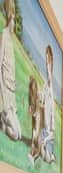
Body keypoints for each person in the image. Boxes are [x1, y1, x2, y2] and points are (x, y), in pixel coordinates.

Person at [0, 0, 21, 141]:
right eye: (14, 19)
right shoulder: (4, 35)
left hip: (11, 93)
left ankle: (3, 120)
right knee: (14, 134)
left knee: (19, 134)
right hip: (5, 92)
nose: (15, 24)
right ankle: (2, 120)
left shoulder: (11, 41)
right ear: (9, 17)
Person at [40, 45, 55, 163]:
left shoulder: (51, 91)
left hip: (48, 137)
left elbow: (52, 134)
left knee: (46, 158)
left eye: (48, 60)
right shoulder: (46, 87)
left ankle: (51, 156)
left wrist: (45, 140)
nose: (46, 63)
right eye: (46, 60)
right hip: (44, 131)